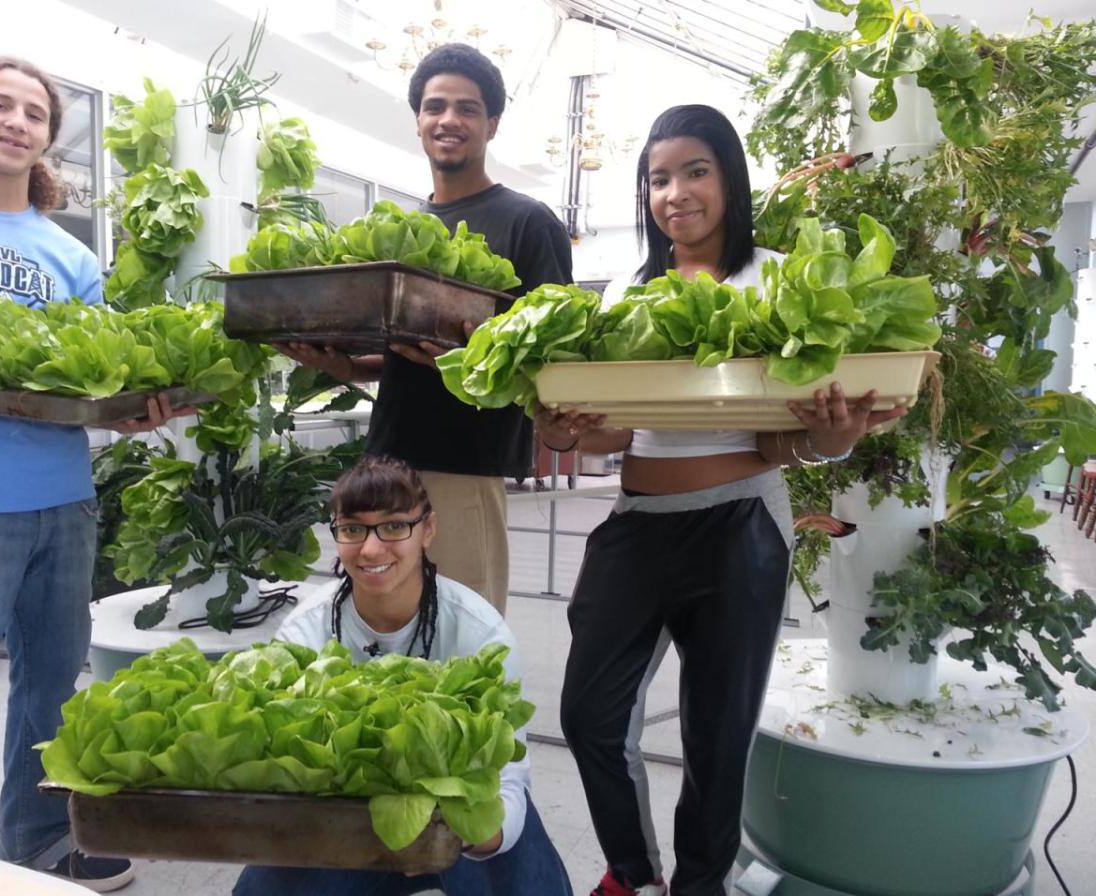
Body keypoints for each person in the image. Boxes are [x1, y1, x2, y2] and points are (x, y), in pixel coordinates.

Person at [536, 105, 908, 896]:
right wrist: (568, 436)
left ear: (730, 181)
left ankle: (700, 883)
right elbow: (615, 440)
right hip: (634, 526)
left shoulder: (775, 279)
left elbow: (787, 436)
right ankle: (632, 874)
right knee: (590, 718)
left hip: (740, 524)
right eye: (657, 178)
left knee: (716, 733)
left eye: (694, 171)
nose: (675, 193)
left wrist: (832, 440)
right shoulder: (630, 295)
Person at [0, 56, 184, 892]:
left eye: (34, 113)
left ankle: (39, 840)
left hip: (64, 501)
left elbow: (85, 387)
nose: (17, 122)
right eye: (0, 105)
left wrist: (135, 410)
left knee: (53, 693)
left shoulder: (69, 253)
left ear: (49, 137)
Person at [277, 43, 573, 615]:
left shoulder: (528, 223)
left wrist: (463, 359)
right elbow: (400, 357)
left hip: (465, 467)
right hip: (386, 462)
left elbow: (552, 362)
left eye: (467, 108)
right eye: (435, 106)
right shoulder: (404, 230)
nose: (449, 120)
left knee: (462, 638)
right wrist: (347, 367)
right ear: (418, 122)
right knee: (378, 635)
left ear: (492, 124)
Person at [233, 455, 573, 896]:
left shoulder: (478, 631)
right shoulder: (306, 630)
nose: (372, 549)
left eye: (394, 526)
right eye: (353, 529)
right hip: (345, 813)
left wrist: (471, 834)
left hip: (455, 810)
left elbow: (508, 774)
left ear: (427, 530)